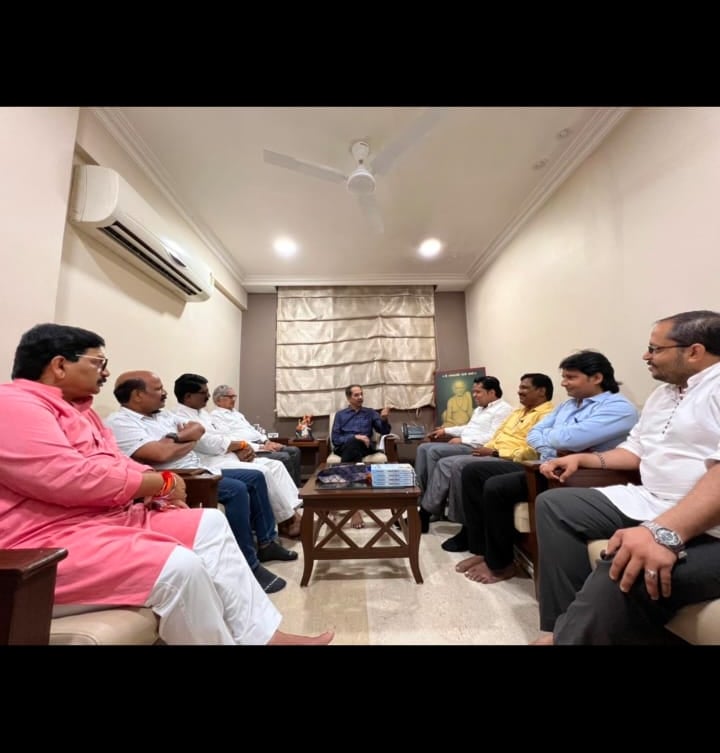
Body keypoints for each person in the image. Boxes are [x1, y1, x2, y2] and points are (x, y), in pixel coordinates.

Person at [0, 323, 333, 645]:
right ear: (59, 365)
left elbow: (119, 462)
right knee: (180, 567)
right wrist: (159, 483)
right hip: (44, 541)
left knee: (210, 522)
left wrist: (161, 484)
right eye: (98, 362)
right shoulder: (15, 405)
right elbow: (71, 478)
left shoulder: (81, 412)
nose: (105, 372)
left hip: (107, 519)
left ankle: (264, 636)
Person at [532, 311, 720, 645]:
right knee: (555, 505)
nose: (646, 356)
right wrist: (583, 459)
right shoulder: (662, 395)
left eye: (655, 349)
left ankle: (570, 636)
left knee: (624, 562)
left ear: (694, 351)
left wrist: (662, 532)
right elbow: (635, 450)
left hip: (708, 521)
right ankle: (562, 626)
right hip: (652, 500)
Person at [456, 350, 639, 584]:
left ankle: (500, 565)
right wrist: (553, 442)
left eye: (571, 377)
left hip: (577, 474)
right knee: (473, 471)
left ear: (597, 378)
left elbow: (570, 440)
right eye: (564, 377)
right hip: (543, 464)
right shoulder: (567, 406)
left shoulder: (618, 408)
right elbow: (534, 434)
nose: (563, 383)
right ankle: (483, 551)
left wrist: (554, 439)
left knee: (497, 487)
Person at [106, 370, 296, 594]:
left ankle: (266, 543)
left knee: (256, 476)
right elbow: (159, 455)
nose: (164, 393)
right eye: (158, 389)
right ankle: (249, 566)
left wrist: (174, 440)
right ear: (138, 395)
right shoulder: (121, 422)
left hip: (200, 469)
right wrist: (185, 441)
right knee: (236, 489)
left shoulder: (163, 416)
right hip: (174, 478)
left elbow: (198, 429)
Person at [173, 373, 302, 538]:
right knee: (263, 471)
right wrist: (240, 446)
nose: (208, 396)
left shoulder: (203, 414)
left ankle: (291, 512)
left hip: (230, 454)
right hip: (211, 462)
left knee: (275, 465)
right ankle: (288, 520)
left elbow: (225, 435)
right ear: (188, 396)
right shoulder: (180, 418)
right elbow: (207, 443)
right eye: (203, 393)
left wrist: (245, 447)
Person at [439, 373, 556, 552]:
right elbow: (498, 435)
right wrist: (487, 448)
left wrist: (495, 452)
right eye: (520, 387)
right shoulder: (517, 412)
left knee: (463, 466)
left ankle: (468, 530)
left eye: (524, 388)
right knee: (451, 460)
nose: (519, 391)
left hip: (516, 460)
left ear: (541, 391)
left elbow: (533, 450)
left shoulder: (547, 415)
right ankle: (468, 530)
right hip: (494, 452)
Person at [414, 376, 513, 527]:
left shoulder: (503, 410)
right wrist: (446, 430)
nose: (474, 395)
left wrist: (463, 440)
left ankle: (433, 508)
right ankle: (421, 499)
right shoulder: (479, 409)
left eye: (478, 392)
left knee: (433, 451)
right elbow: (468, 428)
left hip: (477, 447)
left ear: (492, 392)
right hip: (467, 442)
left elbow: (493, 436)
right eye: (473, 392)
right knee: (423, 448)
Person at [211, 384, 302, 486]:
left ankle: (297, 487)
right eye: (230, 397)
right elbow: (231, 439)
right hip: (249, 448)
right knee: (284, 457)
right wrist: (261, 447)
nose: (233, 399)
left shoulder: (236, 413)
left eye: (234, 396)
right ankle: (289, 490)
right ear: (219, 400)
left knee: (294, 451)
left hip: (261, 444)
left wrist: (267, 441)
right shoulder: (216, 416)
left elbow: (252, 430)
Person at [331, 384, 391, 528]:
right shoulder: (340, 415)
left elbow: (384, 431)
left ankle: (350, 504)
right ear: (348, 397)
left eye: (361, 394)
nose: (360, 397)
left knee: (355, 446)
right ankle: (356, 505)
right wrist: (356, 437)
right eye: (356, 395)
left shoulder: (370, 413)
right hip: (344, 448)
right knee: (353, 445)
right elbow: (335, 439)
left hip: (365, 448)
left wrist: (384, 419)